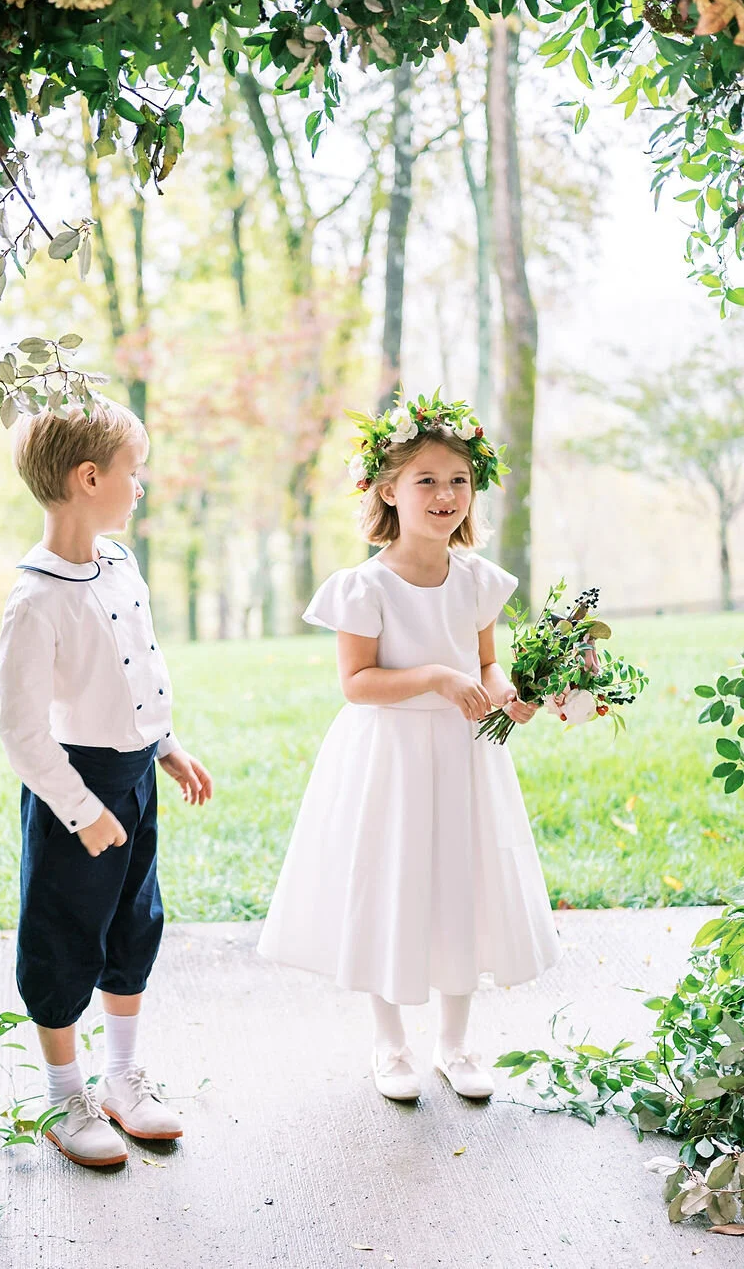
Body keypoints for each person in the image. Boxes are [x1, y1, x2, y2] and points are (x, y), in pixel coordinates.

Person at [257, 394, 560, 1102]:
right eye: (426, 480)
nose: (445, 494)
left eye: (458, 480)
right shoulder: (364, 586)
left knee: (462, 879)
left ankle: (455, 1042)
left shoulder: (480, 579)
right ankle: (390, 1042)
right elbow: (358, 683)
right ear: (388, 490)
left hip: (462, 754)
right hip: (389, 755)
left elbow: (485, 663)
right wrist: (434, 677)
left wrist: (507, 690)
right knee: (389, 880)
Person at [0, 396, 213, 1167]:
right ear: (90, 479)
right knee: (61, 938)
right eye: (134, 472)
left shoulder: (120, 566)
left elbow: (140, 673)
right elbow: (22, 733)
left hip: (133, 780)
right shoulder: (36, 600)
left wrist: (166, 746)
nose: (141, 485)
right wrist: (81, 810)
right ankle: (65, 1093)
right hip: (72, 791)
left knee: (134, 923)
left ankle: (122, 1078)